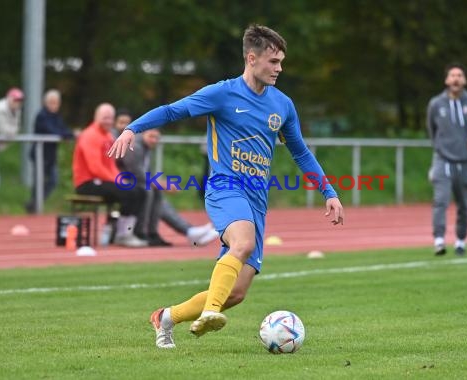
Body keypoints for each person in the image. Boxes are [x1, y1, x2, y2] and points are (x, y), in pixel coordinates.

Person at [108, 24, 344, 349]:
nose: (280, 68)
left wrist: (328, 192)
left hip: (257, 201)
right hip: (224, 188)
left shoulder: (283, 105)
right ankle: (208, 312)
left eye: (281, 62)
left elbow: (300, 152)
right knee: (242, 243)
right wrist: (132, 129)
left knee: (236, 293)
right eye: (273, 61)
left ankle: (166, 316)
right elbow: (172, 110)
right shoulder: (222, 94)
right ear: (251, 58)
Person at [116, 128, 220, 247]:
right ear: (143, 133)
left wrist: (159, 183)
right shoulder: (135, 146)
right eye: (151, 136)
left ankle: (155, 233)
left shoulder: (146, 148)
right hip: (123, 182)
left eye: (156, 138)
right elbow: (136, 173)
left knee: (155, 192)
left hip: (135, 183)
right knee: (148, 191)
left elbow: (146, 173)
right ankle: (142, 232)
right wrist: (159, 183)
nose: (154, 140)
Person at [72, 103, 148, 248]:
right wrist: (116, 181)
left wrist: (120, 180)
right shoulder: (90, 135)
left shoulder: (108, 136)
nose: (108, 121)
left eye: (110, 118)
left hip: (103, 181)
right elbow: (95, 168)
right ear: (96, 117)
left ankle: (124, 232)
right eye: (104, 118)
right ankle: (120, 234)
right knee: (127, 192)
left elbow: (110, 165)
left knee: (139, 192)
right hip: (87, 183)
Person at [427, 63, 467, 256]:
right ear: (446, 80)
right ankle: (439, 240)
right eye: (452, 75)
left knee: (464, 204)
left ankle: (460, 240)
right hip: (443, 159)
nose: (456, 79)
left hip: (466, 161)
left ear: (465, 80)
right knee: (440, 200)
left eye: (459, 75)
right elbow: (432, 131)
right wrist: (439, 150)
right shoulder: (436, 103)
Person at [25, 89, 76, 214]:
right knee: (39, 181)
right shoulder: (42, 116)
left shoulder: (56, 116)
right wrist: (67, 134)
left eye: (56, 103)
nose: (54, 105)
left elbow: (63, 129)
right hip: (39, 154)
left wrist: (70, 134)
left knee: (53, 180)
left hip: (50, 155)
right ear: (45, 102)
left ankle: (35, 203)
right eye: (51, 102)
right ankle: (34, 205)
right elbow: (53, 131)